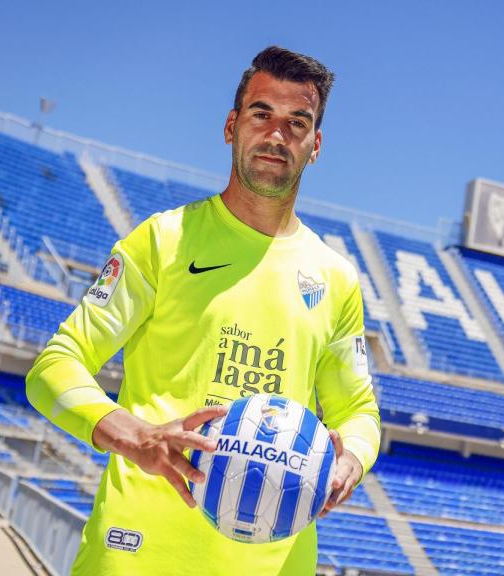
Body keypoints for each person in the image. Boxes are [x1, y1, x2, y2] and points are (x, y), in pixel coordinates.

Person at [26, 46, 380, 575]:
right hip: (135, 556)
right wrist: (136, 435)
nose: (276, 134)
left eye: (297, 122)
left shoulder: (335, 278)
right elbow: (53, 367)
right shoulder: (162, 241)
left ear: (315, 145)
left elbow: (358, 412)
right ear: (231, 126)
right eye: (261, 114)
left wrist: (349, 458)